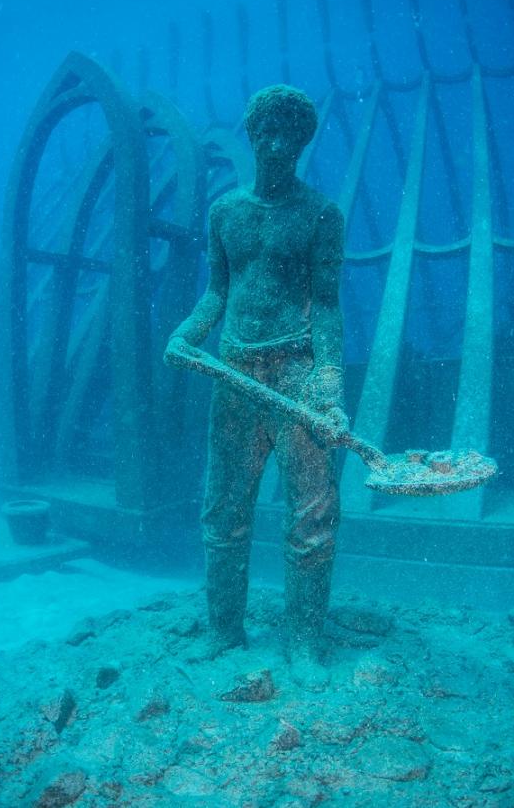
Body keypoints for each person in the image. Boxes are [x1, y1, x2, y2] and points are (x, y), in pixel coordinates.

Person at [164, 84, 346, 690]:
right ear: (251, 135)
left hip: (297, 377)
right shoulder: (226, 213)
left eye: (288, 133)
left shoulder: (321, 215)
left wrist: (329, 386)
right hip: (235, 374)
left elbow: (325, 307)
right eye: (265, 131)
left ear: (302, 141)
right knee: (224, 510)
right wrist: (187, 332)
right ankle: (224, 629)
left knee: (313, 516)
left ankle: (304, 641)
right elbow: (219, 291)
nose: (275, 143)